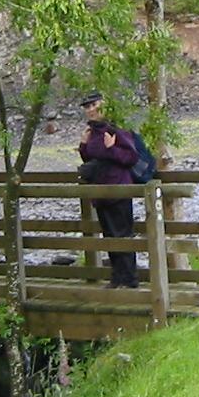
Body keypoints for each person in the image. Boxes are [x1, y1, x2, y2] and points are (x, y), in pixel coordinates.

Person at [77, 91, 140, 289]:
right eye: (87, 107)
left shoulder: (116, 129)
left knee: (123, 234)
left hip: (119, 189)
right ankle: (117, 278)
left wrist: (112, 148)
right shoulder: (92, 132)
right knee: (110, 235)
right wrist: (83, 146)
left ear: (103, 105)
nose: (90, 110)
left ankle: (129, 280)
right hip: (101, 191)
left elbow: (131, 157)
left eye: (93, 105)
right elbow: (92, 160)